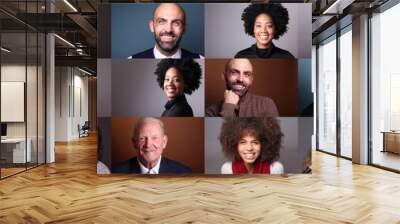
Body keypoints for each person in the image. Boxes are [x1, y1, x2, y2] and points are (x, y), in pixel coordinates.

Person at [112, 117, 192, 174]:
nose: (148, 144)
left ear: (164, 142)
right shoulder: (115, 172)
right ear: (134, 143)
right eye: (142, 138)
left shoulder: (184, 173)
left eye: (154, 138)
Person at [205, 58, 279, 117]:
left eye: (246, 74)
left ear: (251, 80)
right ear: (224, 77)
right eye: (234, 72)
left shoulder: (266, 104)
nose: (240, 79)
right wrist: (228, 107)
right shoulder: (210, 112)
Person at [128, 3, 202, 59]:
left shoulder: (201, 59)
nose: (168, 30)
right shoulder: (131, 60)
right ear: (152, 26)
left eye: (176, 23)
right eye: (161, 22)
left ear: (184, 29)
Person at [219, 117, 284, 174]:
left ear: (264, 145)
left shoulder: (275, 168)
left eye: (255, 142)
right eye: (243, 142)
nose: (249, 148)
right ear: (235, 145)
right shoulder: (227, 169)